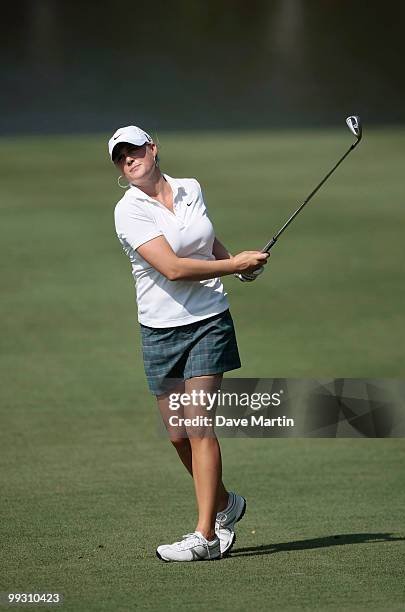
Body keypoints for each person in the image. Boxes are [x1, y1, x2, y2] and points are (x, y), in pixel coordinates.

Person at [108, 125, 268, 562]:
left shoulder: (191, 188)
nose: (130, 160)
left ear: (153, 149)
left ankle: (207, 537)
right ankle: (224, 505)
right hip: (159, 328)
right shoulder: (129, 211)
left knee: (199, 426)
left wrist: (233, 265)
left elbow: (204, 239)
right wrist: (233, 263)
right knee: (178, 435)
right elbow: (174, 268)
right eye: (121, 157)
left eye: (135, 151)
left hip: (208, 321)